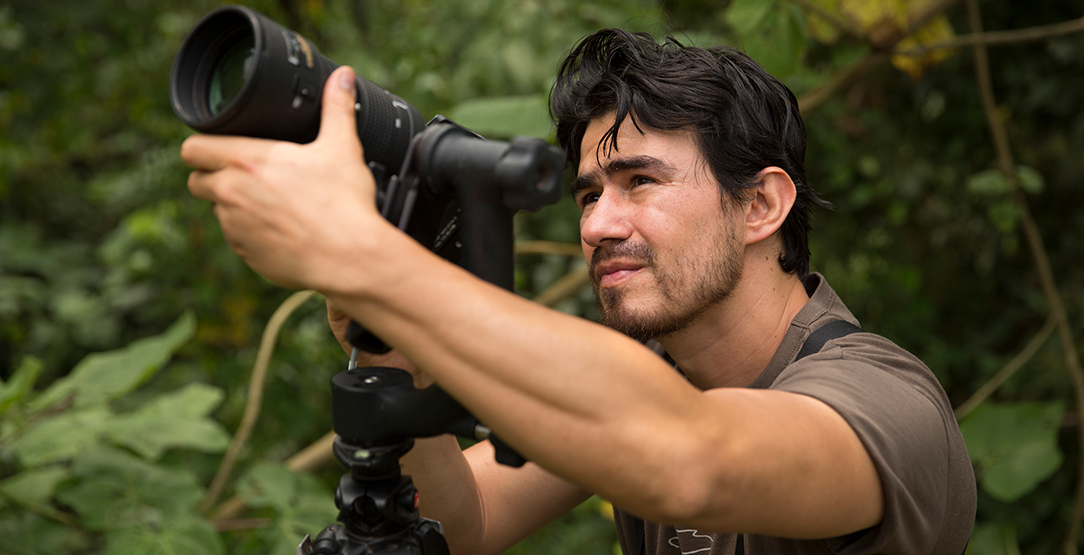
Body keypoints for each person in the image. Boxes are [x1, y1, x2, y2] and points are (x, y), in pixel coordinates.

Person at [182, 27, 976, 555]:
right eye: (590, 192)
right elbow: (463, 521)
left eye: (639, 181)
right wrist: (386, 331)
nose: (597, 223)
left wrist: (366, 259)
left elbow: (696, 458)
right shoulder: (657, 378)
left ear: (762, 205)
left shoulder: (882, 399)